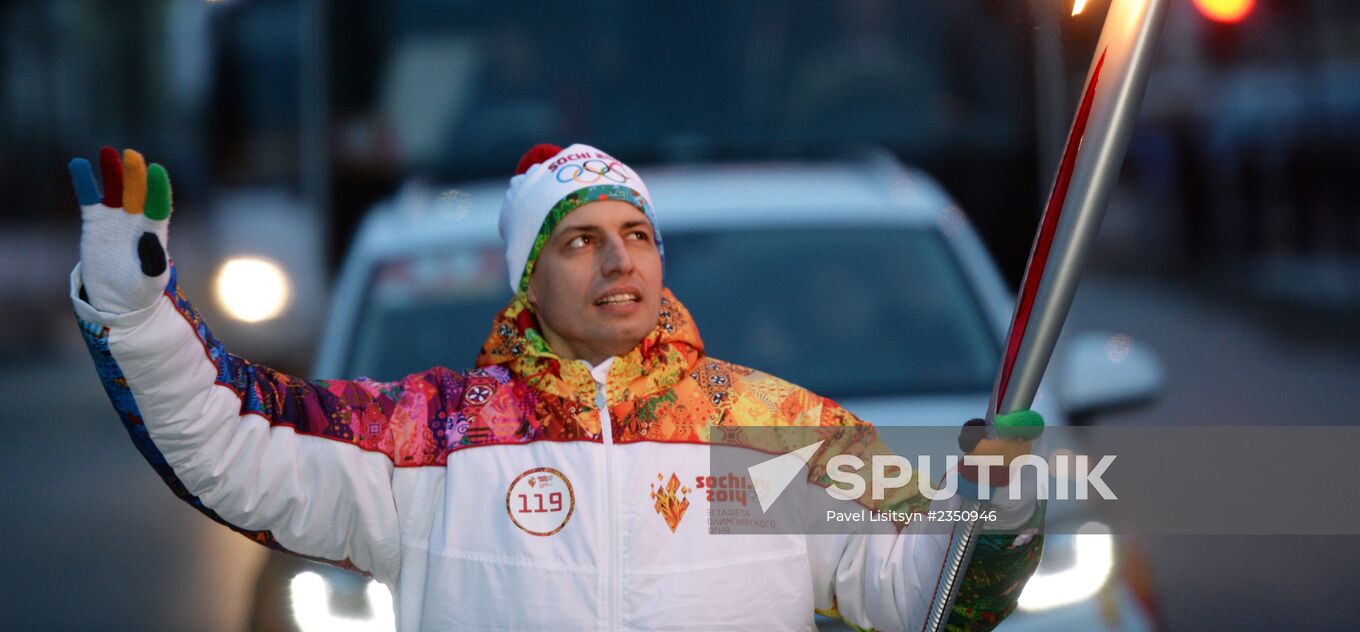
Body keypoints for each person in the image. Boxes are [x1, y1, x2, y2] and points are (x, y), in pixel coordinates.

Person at [69, 142, 1044, 631]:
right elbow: (235, 442)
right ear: (529, 274)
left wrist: (991, 512)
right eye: (581, 240)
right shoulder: (431, 437)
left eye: (636, 235)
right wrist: (137, 316)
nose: (618, 260)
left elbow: (926, 597)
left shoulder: (772, 428)